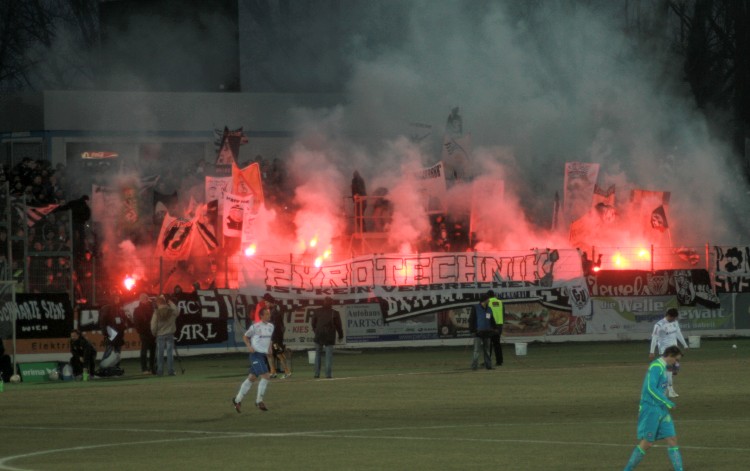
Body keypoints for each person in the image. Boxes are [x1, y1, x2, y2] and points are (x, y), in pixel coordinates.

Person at [623, 345, 685, 471]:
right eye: (676, 359)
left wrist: (664, 403)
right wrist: (666, 401)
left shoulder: (664, 367)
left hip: (661, 408)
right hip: (650, 409)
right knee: (647, 443)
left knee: (672, 439)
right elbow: (650, 388)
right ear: (670, 356)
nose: (676, 362)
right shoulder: (656, 367)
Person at [232, 306, 273, 413]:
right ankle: (259, 401)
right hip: (255, 355)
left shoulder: (271, 326)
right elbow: (245, 337)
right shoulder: (255, 327)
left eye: (269, 314)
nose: (269, 315)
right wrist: (249, 346)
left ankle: (237, 400)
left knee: (252, 378)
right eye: (267, 314)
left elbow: (269, 339)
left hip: (263, 355)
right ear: (261, 316)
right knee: (266, 376)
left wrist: (269, 349)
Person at [649, 308, 689, 397]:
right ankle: (670, 390)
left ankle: (663, 387)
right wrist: (651, 351)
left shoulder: (675, 322)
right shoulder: (659, 325)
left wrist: (685, 344)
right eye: (674, 318)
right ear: (669, 316)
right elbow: (654, 338)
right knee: (669, 371)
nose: (675, 320)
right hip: (665, 351)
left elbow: (678, 333)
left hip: (675, 350)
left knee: (674, 370)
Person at [312, 296, 343, 379]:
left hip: (318, 335)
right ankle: (328, 375)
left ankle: (316, 374)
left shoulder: (317, 311)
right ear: (332, 303)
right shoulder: (335, 313)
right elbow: (339, 326)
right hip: (329, 335)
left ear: (323, 302)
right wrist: (341, 336)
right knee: (328, 355)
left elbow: (313, 324)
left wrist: (316, 331)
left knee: (317, 354)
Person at [150, 294, 179, 376]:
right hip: (170, 334)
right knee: (170, 353)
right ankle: (171, 370)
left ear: (158, 303)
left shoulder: (156, 313)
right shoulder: (171, 311)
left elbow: (153, 325)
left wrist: (154, 333)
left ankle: (160, 371)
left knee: (160, 354)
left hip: (160, 335)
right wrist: (171, 303)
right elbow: (177, 312)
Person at [468, 293, 495, 370]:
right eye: (488, 299)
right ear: (485, 300)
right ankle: (474, 366)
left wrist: (495, 328)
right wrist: (472, 330)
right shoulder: (475, 308)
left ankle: (488, 366)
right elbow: (471, 320)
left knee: (487, 350)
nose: (489, 300)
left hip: (487, 332)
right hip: (478, 332)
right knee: (476, 351)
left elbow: (491, 320)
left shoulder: (489, 309)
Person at [133, 293, 156, 374]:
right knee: (145, 351)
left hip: (152, 332)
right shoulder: (138, 310)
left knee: (152, 351)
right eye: (143, 298)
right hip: (145, 333)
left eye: (145, 298)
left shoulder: (151, 308)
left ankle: (152, 367)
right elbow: (136, 322)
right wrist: (140, 331)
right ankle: (145, 368)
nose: (145, 300)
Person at [269, 303, 291, 379]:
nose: (266, 304)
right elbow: (282, 327)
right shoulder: (276, 313)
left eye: (267, 302)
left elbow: (274, 327)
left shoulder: (274, 314)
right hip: (276, 337)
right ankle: (273, 371)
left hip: (275, 338)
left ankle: (287, 371)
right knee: (271, 354)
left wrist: (272, 338)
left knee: (278, 354)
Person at [486, 290, 504, 367]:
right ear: (494, 295)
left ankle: (487, 361)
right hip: (499, 325)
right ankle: (499, 361)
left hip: (491, 325)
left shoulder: (488, 302)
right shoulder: (500, 302)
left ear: (488, 296)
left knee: (488, 344)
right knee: (497, 344)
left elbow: (487, 314)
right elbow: (503, 313)